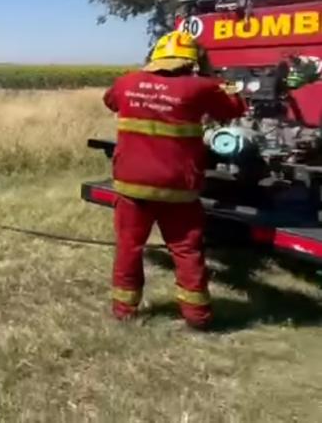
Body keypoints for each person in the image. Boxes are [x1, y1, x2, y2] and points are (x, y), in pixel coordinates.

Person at [102, 30, 246, 330]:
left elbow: (111, 102)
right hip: (178, 189)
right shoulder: (202, 87)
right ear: (190, 61)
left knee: (129, 246)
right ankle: (197, 316)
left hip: (132, 186)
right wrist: (217, 79)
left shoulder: (127, 82)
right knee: (186, 249)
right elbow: (235, 108)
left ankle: (123, 309)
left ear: (155, 57)